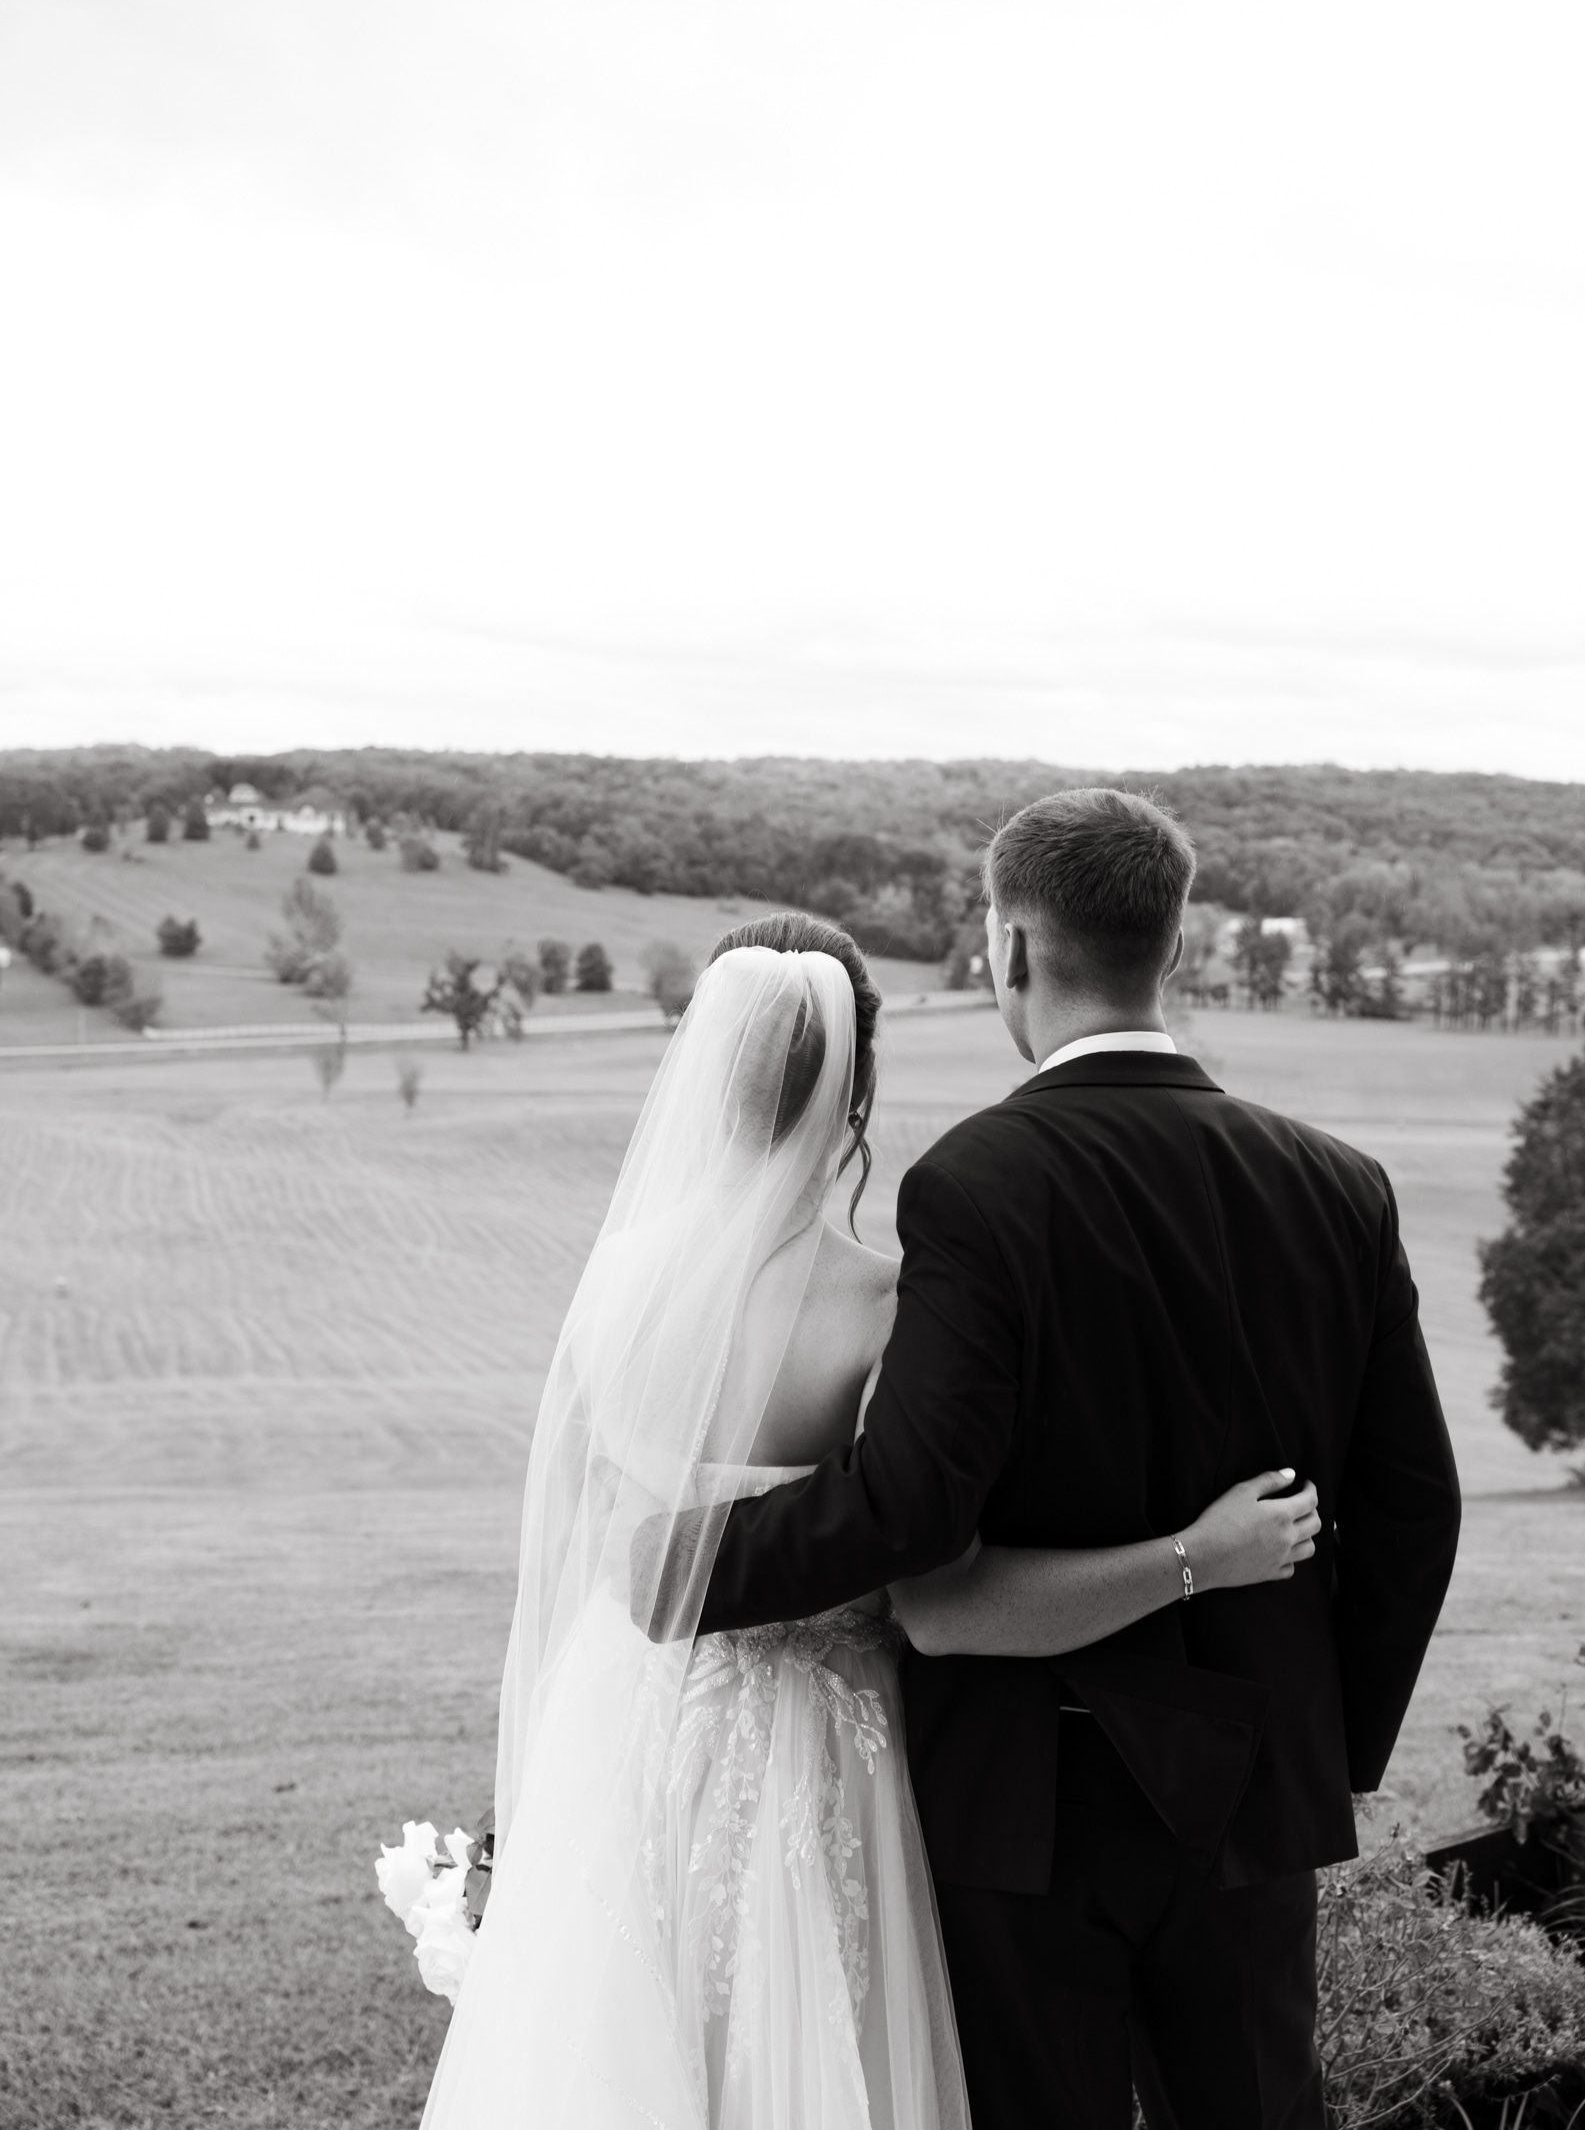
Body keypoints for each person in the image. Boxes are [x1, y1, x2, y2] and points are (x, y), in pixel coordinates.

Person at [420, 908, 1323, 2130]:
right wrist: (1190, 1558)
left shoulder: (614, 1286)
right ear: (858, 1089)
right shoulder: (877, 1307)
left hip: (623, 1720)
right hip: (821, 1740)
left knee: (622, 2051)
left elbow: (581, 1552)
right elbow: (921, 1559)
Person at [655, 793, 1462, 2130]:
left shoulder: (979, 1184)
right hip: (1257, 1793)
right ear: (1173, 944)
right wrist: (1329, 1748)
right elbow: (1413, 1514)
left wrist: (676, 1563)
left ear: (1010, 950)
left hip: (1025, 1805)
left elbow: (911, 1509)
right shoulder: (1339, 1183)